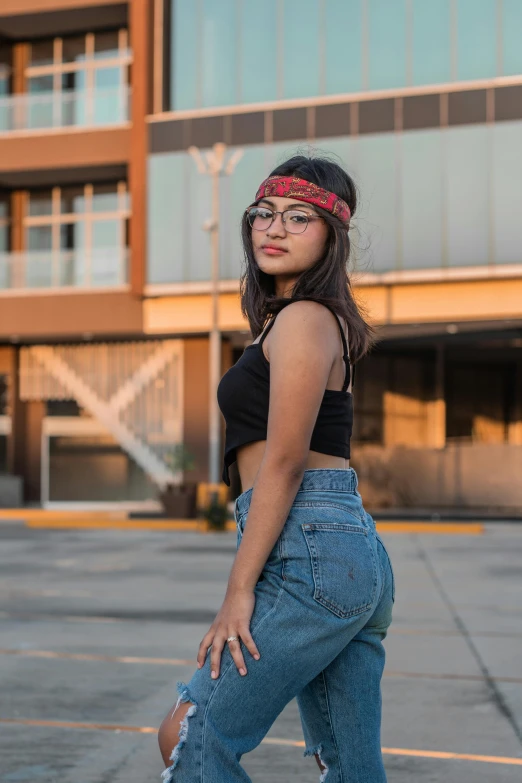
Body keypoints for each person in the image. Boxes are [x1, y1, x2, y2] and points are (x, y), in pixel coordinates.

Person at [158, 154, 395, 782]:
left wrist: (239, 592)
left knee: (191, 732)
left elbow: (286, 463)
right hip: (341, 550)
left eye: (298, 217)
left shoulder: (305, 319)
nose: (274, 228)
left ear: (331, 238)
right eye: (263, 214)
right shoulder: (294, 323)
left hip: (312, 551)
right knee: (351, 768)